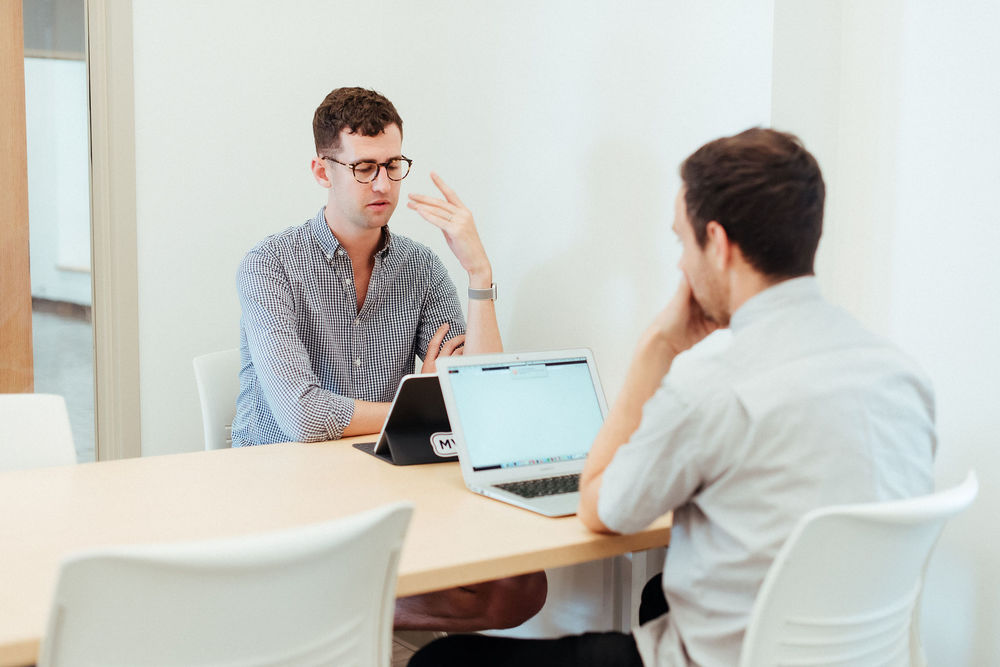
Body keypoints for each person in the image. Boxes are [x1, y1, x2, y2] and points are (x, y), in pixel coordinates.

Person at [409, 128, 936, 666]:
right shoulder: (902, 377)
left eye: (683, 242)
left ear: (720, 244)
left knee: (440, 662)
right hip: (858, 653)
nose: (682, 265)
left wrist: (656, 348)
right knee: (658, 593)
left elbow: (599, 508)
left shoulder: (712, 383)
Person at [234, 87, 546, 631]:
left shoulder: (421, 268)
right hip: (284, 489)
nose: (383, 184)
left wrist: (479, 274)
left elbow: (480, 397)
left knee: (522, 586)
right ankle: (321, 607)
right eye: (364, 168)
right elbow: (304, 417)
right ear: (321, 169)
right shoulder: (269, 266)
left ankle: (331, 611)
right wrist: (419, 400)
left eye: (393, 166)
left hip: (389, 478)